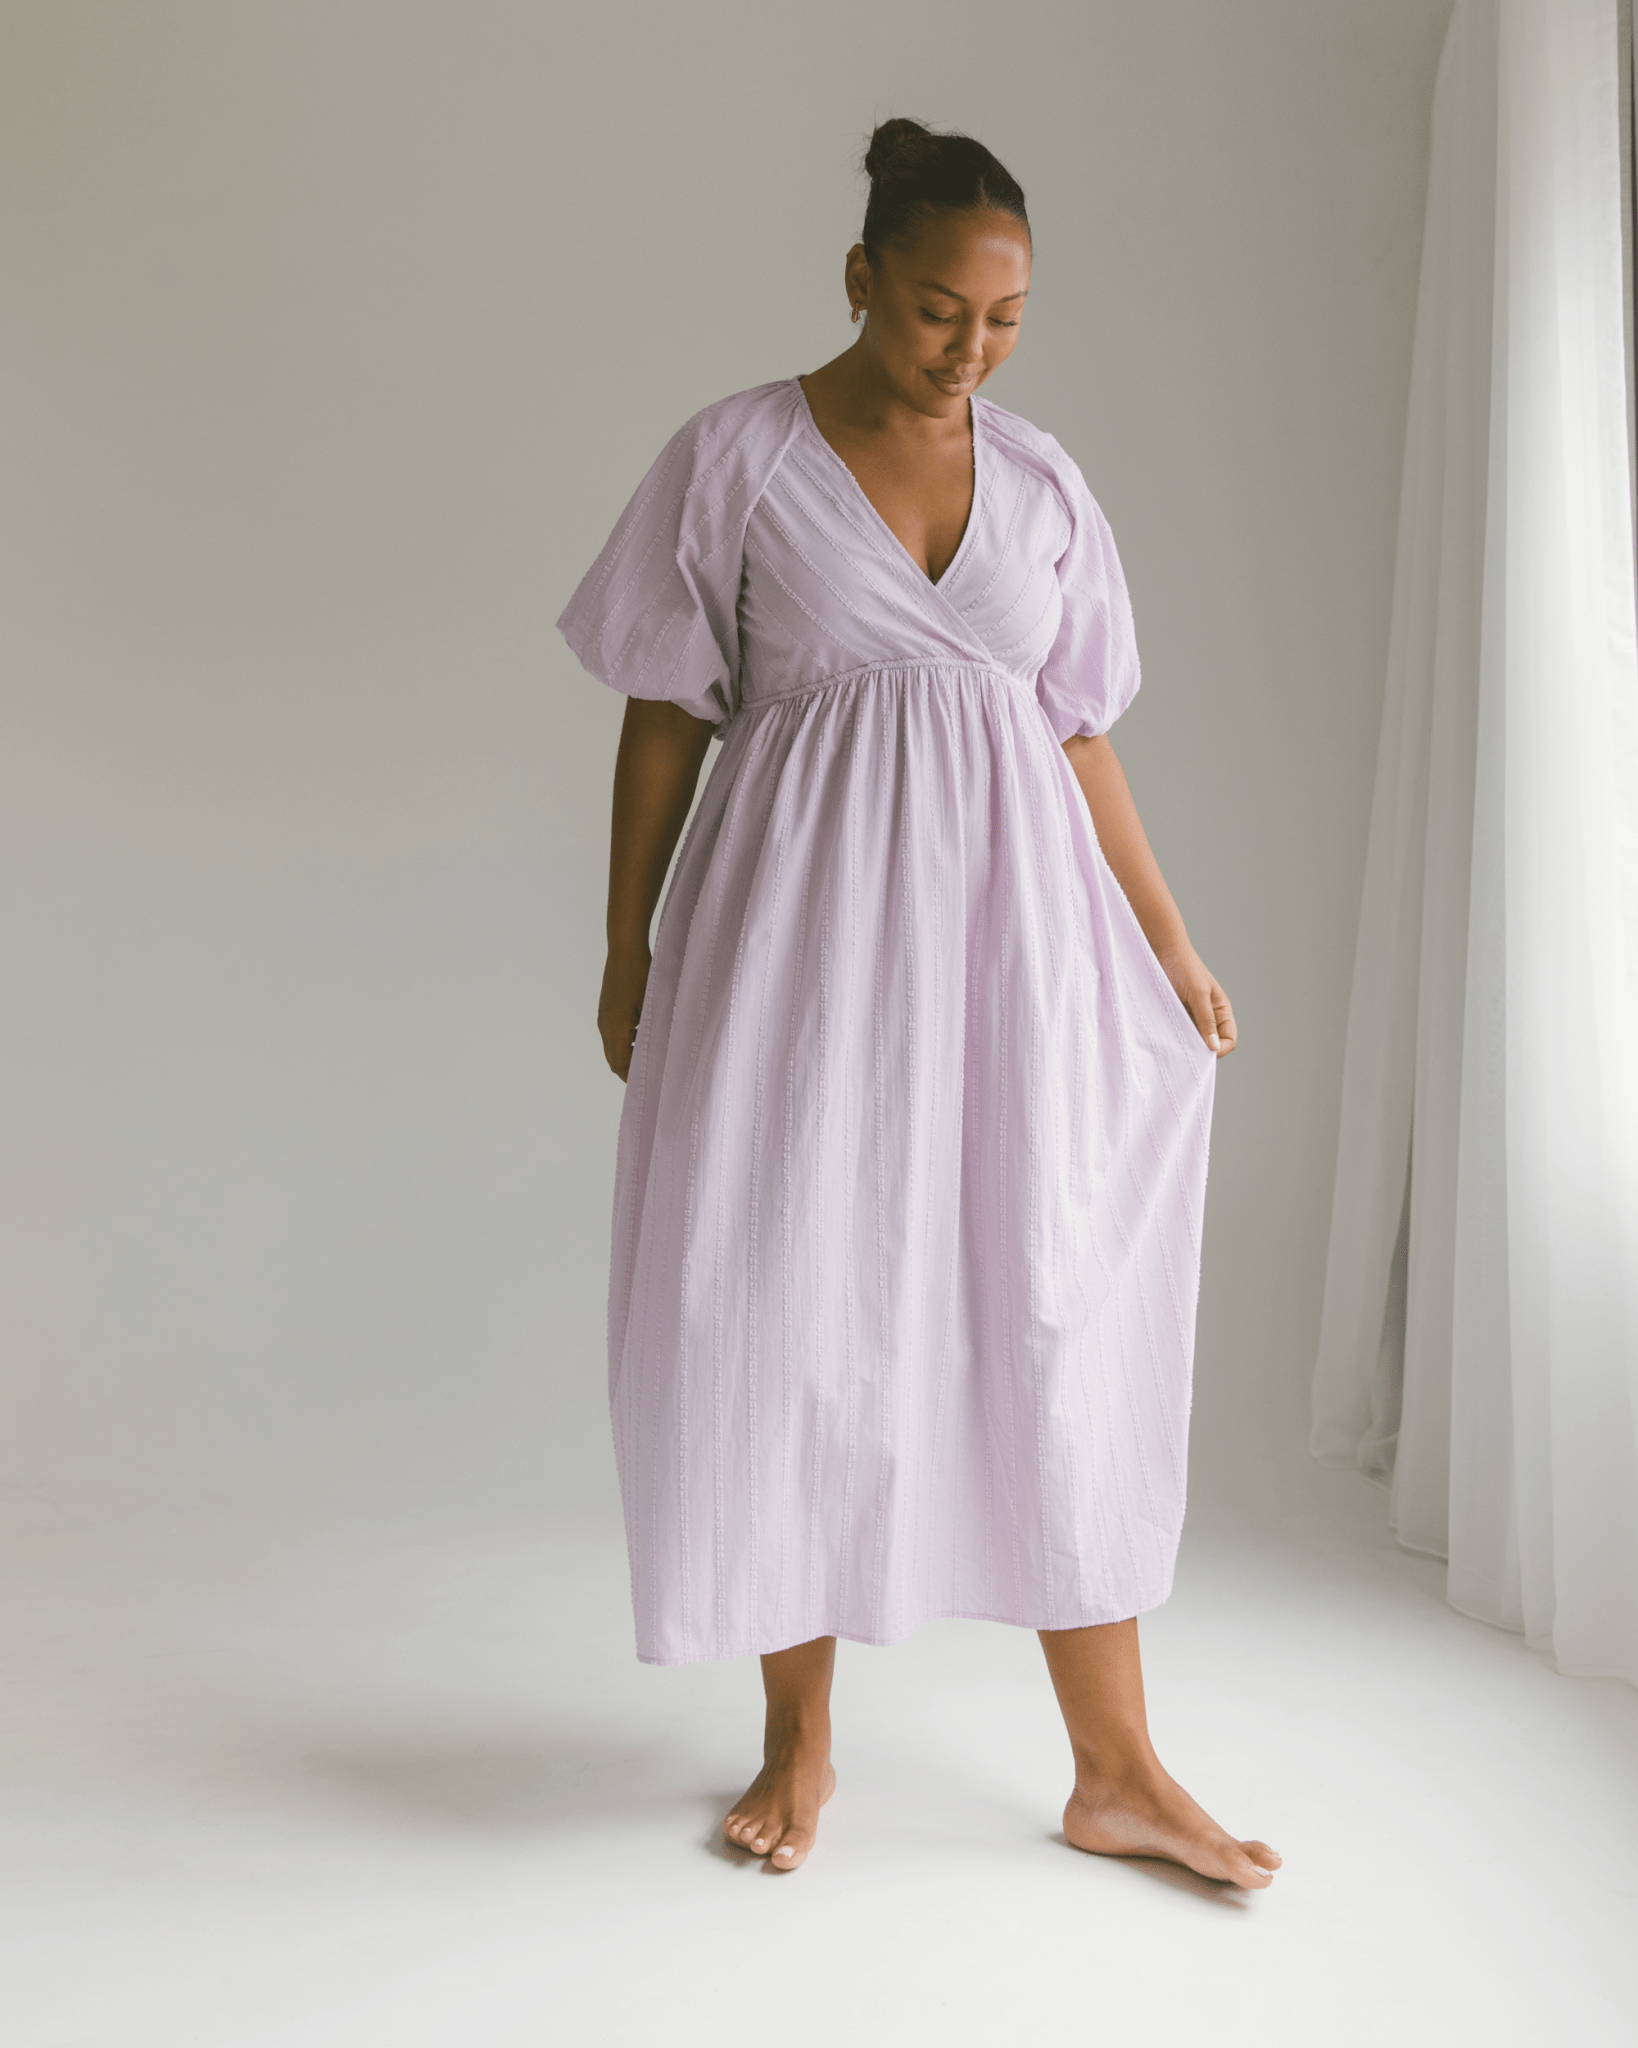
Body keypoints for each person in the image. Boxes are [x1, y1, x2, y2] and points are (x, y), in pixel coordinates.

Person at [558, 117, 1279, 1888]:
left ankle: (1117, 1771)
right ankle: (797, 1736)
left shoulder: (1042, 483)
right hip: (796, 955)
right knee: (783, 1310)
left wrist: (1169, 937)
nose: (970, 347)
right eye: (941, 308)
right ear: (861, 276)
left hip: (1014, 953)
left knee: (1049, 1306)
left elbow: (1076, 730)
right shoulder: (734, 459)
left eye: (1006, 317)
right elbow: (661, 714)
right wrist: (624, 945)